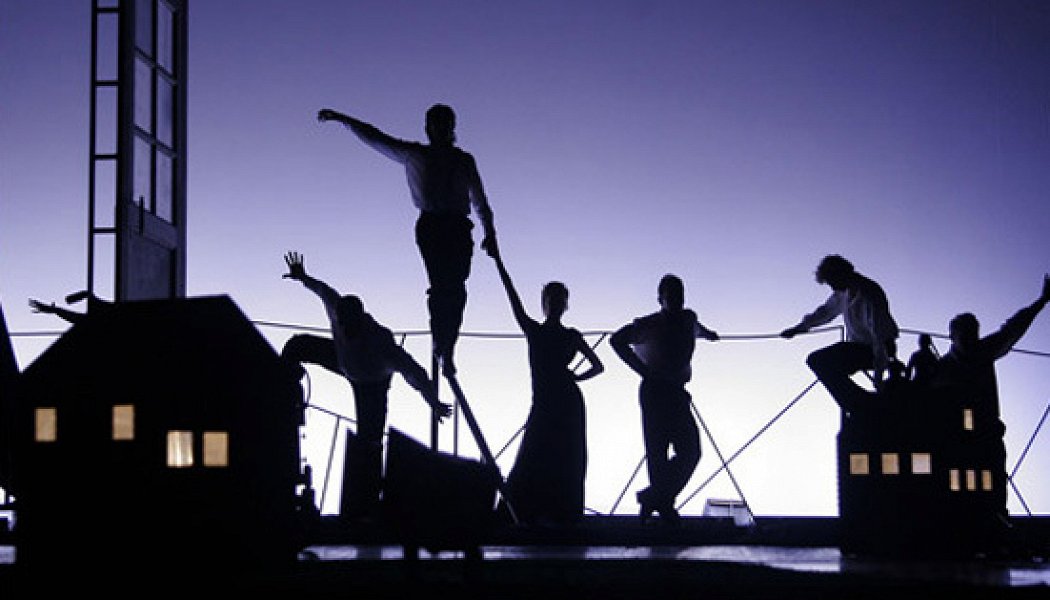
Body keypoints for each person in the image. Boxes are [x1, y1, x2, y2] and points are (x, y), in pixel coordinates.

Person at [317, 104, 497, 376]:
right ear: (428, 128)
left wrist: (490, 233)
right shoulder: (415, 154)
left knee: (457, 290)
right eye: (436, 124)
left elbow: (480, 200)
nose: (441, 129)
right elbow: (375, 137)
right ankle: (442, 345)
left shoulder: (464, 160)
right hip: (432, 226)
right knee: (442, 287)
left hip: (459, 227)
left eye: (445, 124)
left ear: (452, 128)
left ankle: (447, 346)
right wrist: (342, 119)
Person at [280, 251, 452, 519]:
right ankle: (281, 392)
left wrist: (433, 402)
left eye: (349, 326)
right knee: (297, 345)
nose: (344, 329)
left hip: (372, 384)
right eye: (341, 323)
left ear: (359, 320)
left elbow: (414, 373)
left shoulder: (381, 343)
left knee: (369, 442)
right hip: (342, 361)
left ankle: (365, 503)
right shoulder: (337, 310)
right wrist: (303, 277)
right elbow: (323, 291)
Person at [489, 241, 604, 526]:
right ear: (546, 303)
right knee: (542, 453)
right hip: (551, 401)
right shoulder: (541, 331)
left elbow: (598, 366)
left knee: (557, 455)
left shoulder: (556, 334)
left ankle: (551, 515)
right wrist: (498, 261)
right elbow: (512, 296)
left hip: (563, 402)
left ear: (563, 304)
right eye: (552, 299)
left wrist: (575, 378)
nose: (555, 304)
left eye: (558, 299)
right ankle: (538, 514)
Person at [930, 273, 1050, 531]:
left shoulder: (979, 354)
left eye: (973, 335)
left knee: (993, 485)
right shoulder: (941, 369)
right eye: (964, 336)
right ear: (952, 336)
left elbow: (1013, 328)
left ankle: (995, 521)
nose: (969, 341)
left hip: (986, 436)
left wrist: (1041, 302)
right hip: (955, 440)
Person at [610, 274, 719, 526]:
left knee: (690, 450)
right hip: (655, 390)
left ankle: (653, 498)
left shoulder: (688, 318)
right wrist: (643, 371)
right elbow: (616, 340)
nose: (677, 299)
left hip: (677, 391)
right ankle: (663, 505)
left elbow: (697, 328)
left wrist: (709, 334)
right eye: (671, 295)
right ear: (660, 299)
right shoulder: (649, 324)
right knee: (657, 451)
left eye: (680, 294)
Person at [781, 255, 901, 412]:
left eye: (832, 282)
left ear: (842, 274)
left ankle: (862, 403)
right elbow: (824, 312)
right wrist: (797, 329)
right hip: (859, 347)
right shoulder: (842, 293)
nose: (832, 288)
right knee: (817, 361)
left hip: (880, 348)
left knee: (820, 361)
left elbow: (880, 337)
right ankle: (857, 401)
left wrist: (878, 380)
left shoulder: (869, 293)